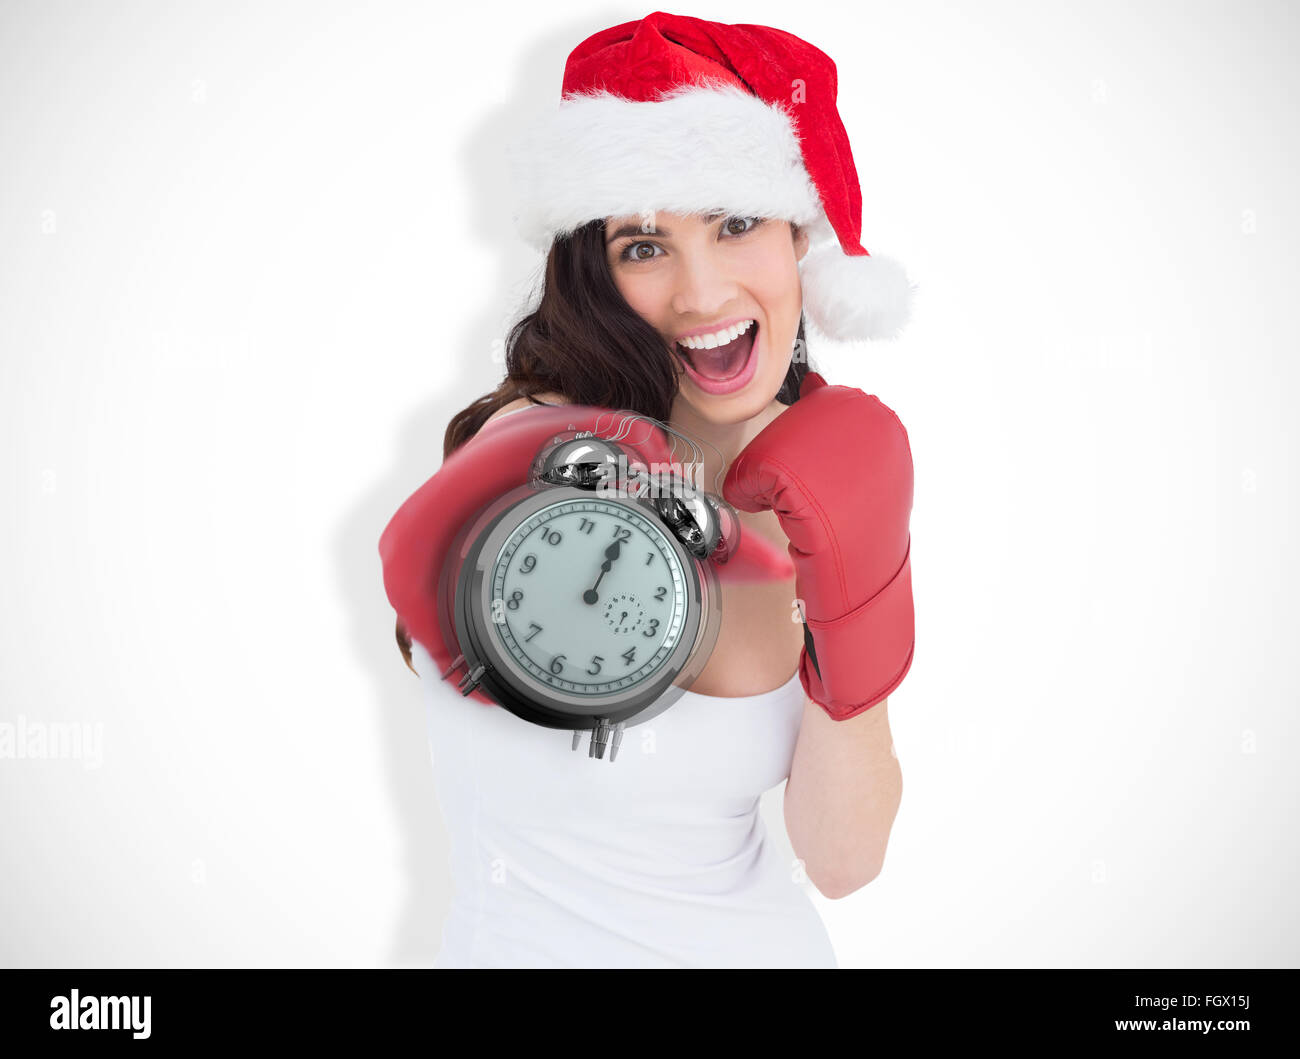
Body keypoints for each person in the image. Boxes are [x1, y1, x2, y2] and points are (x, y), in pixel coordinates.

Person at [379, 11, 917, 968]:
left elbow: (841, 860)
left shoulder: (830, 475)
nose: (700, 293)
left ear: (801, 239)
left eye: (736, 223)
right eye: (644, 244)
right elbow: (545, 662)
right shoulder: (531, 453)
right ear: (595, 270)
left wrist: (862, 587)